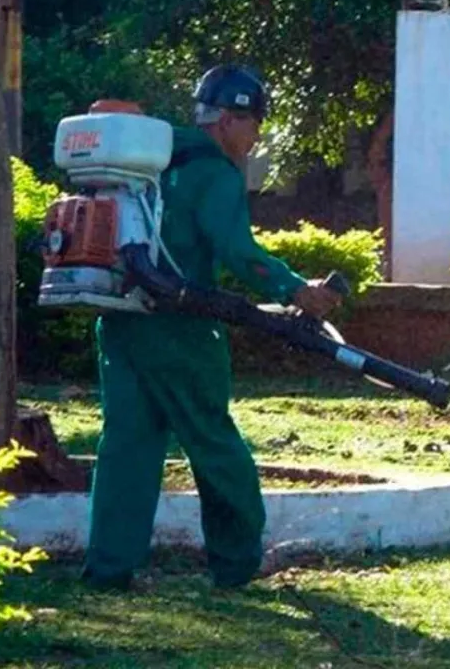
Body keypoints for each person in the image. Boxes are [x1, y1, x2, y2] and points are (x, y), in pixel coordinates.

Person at [81, 64, 341, 591]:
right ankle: (237, 563)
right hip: (181, 330)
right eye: (254, 124)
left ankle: (109, 569)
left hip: (122, 320)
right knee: (215, 444)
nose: (256, 137)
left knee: (127, 446)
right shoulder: (214, 171)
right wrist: (296, 289)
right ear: (228, 119)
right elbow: (238, 251)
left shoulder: (153, 159)